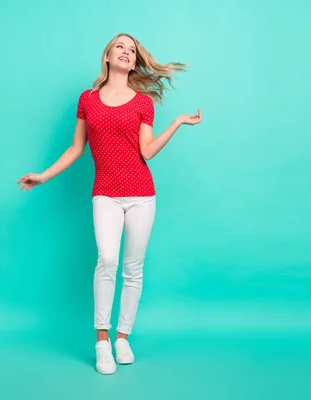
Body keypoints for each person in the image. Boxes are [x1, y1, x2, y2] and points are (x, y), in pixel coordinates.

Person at [18, 33, 202, 374]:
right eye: (121, 46)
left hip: (142, 195)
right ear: (107, 55)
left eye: (132, 50)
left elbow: (146, 152)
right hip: (105, 192)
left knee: (133, 269)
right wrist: (43, 176)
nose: (127, 52)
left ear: (134, 61)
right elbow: (77, 148)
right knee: (107, 259)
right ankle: (102, 341)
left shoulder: (143, 102)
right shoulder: (88, 99)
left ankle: (122, 337)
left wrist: (176, 122)